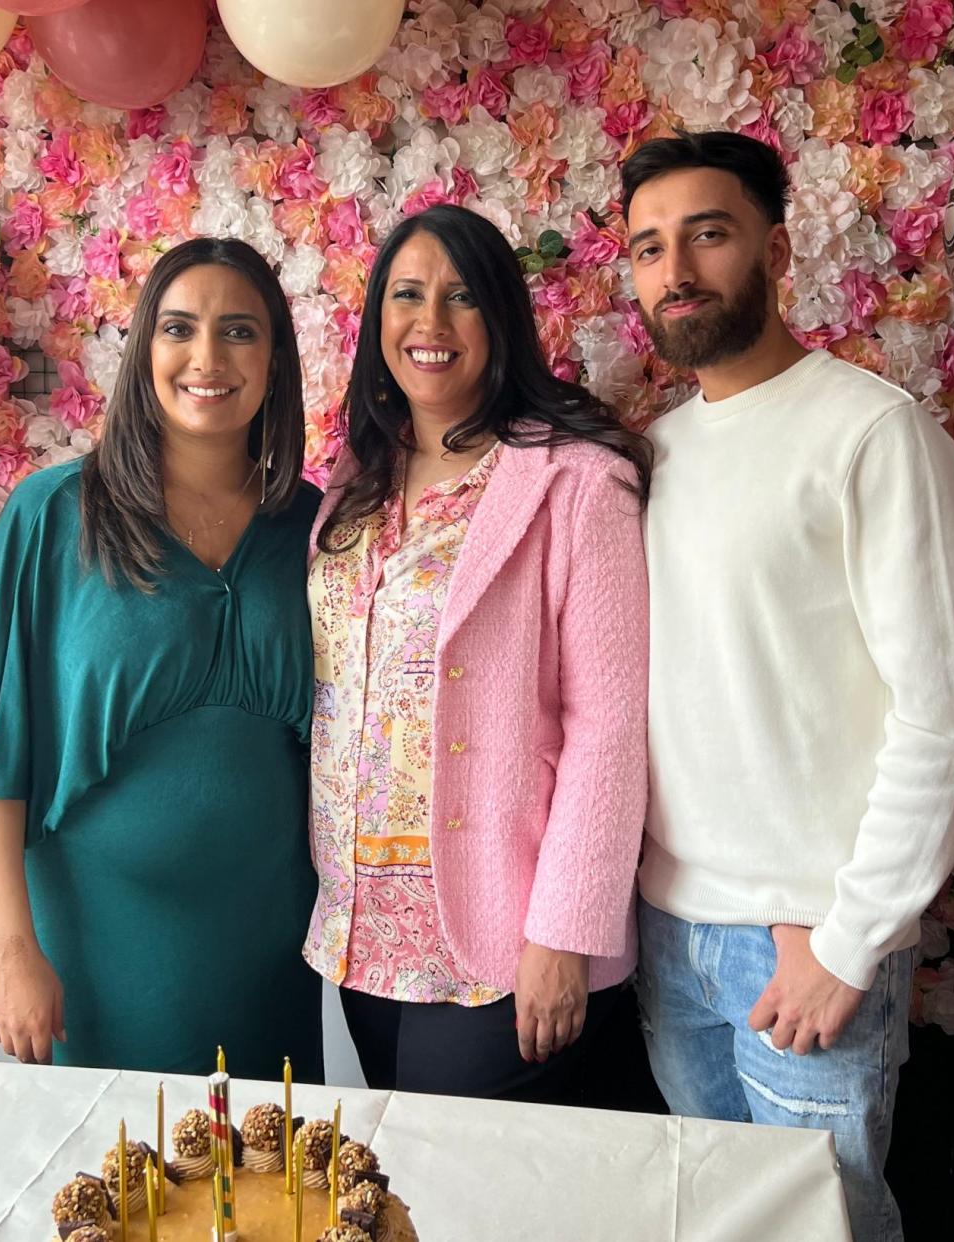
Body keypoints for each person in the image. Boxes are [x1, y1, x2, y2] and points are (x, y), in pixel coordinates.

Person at [625, 131, 954, 1242]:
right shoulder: (657, 453)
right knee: (712, 1220)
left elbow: (953, 723)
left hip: (801, 941)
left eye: (708, 233)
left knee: (821, 1229)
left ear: (776, 248)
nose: (677, 270)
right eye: (649, 248)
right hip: (671, 937)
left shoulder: (872, 434)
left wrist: (847, 942)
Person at [0, 238, 325, 1080]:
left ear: (275, 361)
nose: (207, 358)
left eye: (240, 332)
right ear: (146, 347)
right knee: (115, 1192)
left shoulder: (314, 526)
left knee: (266, 1193)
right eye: (179, 328)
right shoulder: (52, 516)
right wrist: (11, 953)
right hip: (99, 956)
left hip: (269, 953)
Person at [304, 203, 651, 1102]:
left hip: (505, 929)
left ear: (502, 321)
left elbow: (608, 726)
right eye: (408, 295)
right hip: (360, 924)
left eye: (462, 297)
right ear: (377, 317)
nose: (431, 323)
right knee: (399, 1192)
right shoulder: (354, 483)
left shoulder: (577, 479)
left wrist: (565, 933)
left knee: (464, 1197)